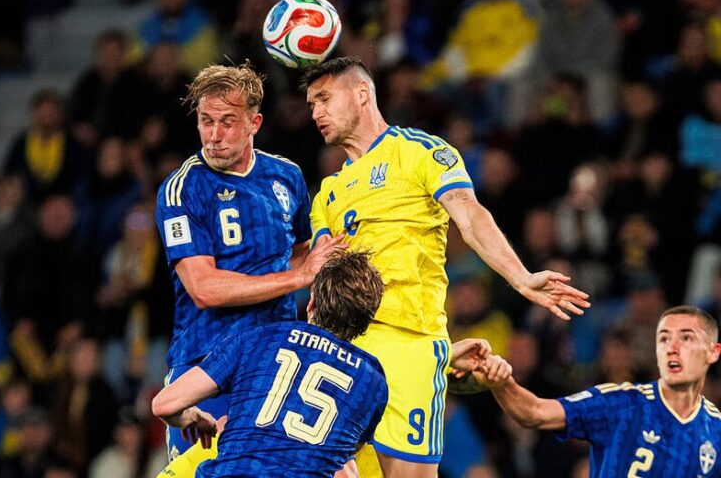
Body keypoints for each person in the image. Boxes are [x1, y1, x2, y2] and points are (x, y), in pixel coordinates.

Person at [302, 56, 590, 478]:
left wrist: (521, 277)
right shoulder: (327, 194)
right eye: (312, 104)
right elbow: (320, 278)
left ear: (362, 93)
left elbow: (469, 215)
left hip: (410, 347)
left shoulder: (419, 151)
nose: (316, 112)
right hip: (344, 348)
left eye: (324, 99)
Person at [151, 250, 492, 477]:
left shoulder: (260, 337)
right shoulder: (372, 381)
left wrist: (194, 417)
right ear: (366, 322)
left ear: (312, 301)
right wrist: (442, 357)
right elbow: (341, 460)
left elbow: (165, 404)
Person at [155, 62, 343, 459]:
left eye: (227, 122)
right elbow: (204, 289)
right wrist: (299, 279)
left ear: (254, 123)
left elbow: (300, 253)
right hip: (204, 364)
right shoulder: (182, 189)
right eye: (206, 122)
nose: (214, 136)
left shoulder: (286, 177)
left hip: (274, 364)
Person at [474, 305, 721, 477]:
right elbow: (535, 412)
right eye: (664, 339)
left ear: (713, 352)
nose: (672, 348)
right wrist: (501, 382)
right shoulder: (620, 402)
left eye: (686, 338)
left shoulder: (716, 429)